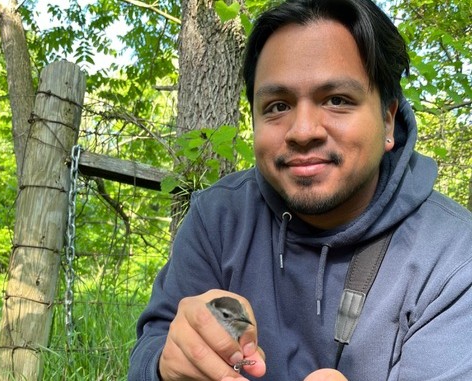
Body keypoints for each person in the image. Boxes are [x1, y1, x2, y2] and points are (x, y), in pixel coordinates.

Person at [128, 0, 472, 380]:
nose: (303, 131)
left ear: (388, 120)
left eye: (337, 100)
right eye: (277, 106)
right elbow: (152, 346)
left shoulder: (454, 259)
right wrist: (167, 365)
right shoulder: (218, 220)